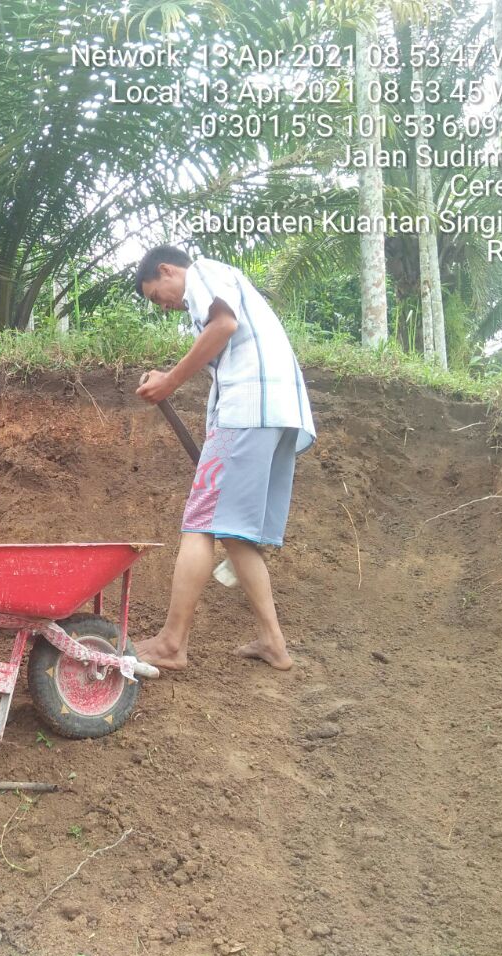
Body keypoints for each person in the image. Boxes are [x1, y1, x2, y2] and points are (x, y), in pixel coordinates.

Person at [132, 245, 315, 672]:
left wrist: (169, 381)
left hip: (247, 408)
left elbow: (224, 324)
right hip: (277, 412)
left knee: (200, 523)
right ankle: (273, 642)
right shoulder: (225, 282)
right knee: (233, 533)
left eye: (159, 296)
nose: (166, 306)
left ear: (167, 270)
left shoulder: (205, 273)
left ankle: (172, 642)